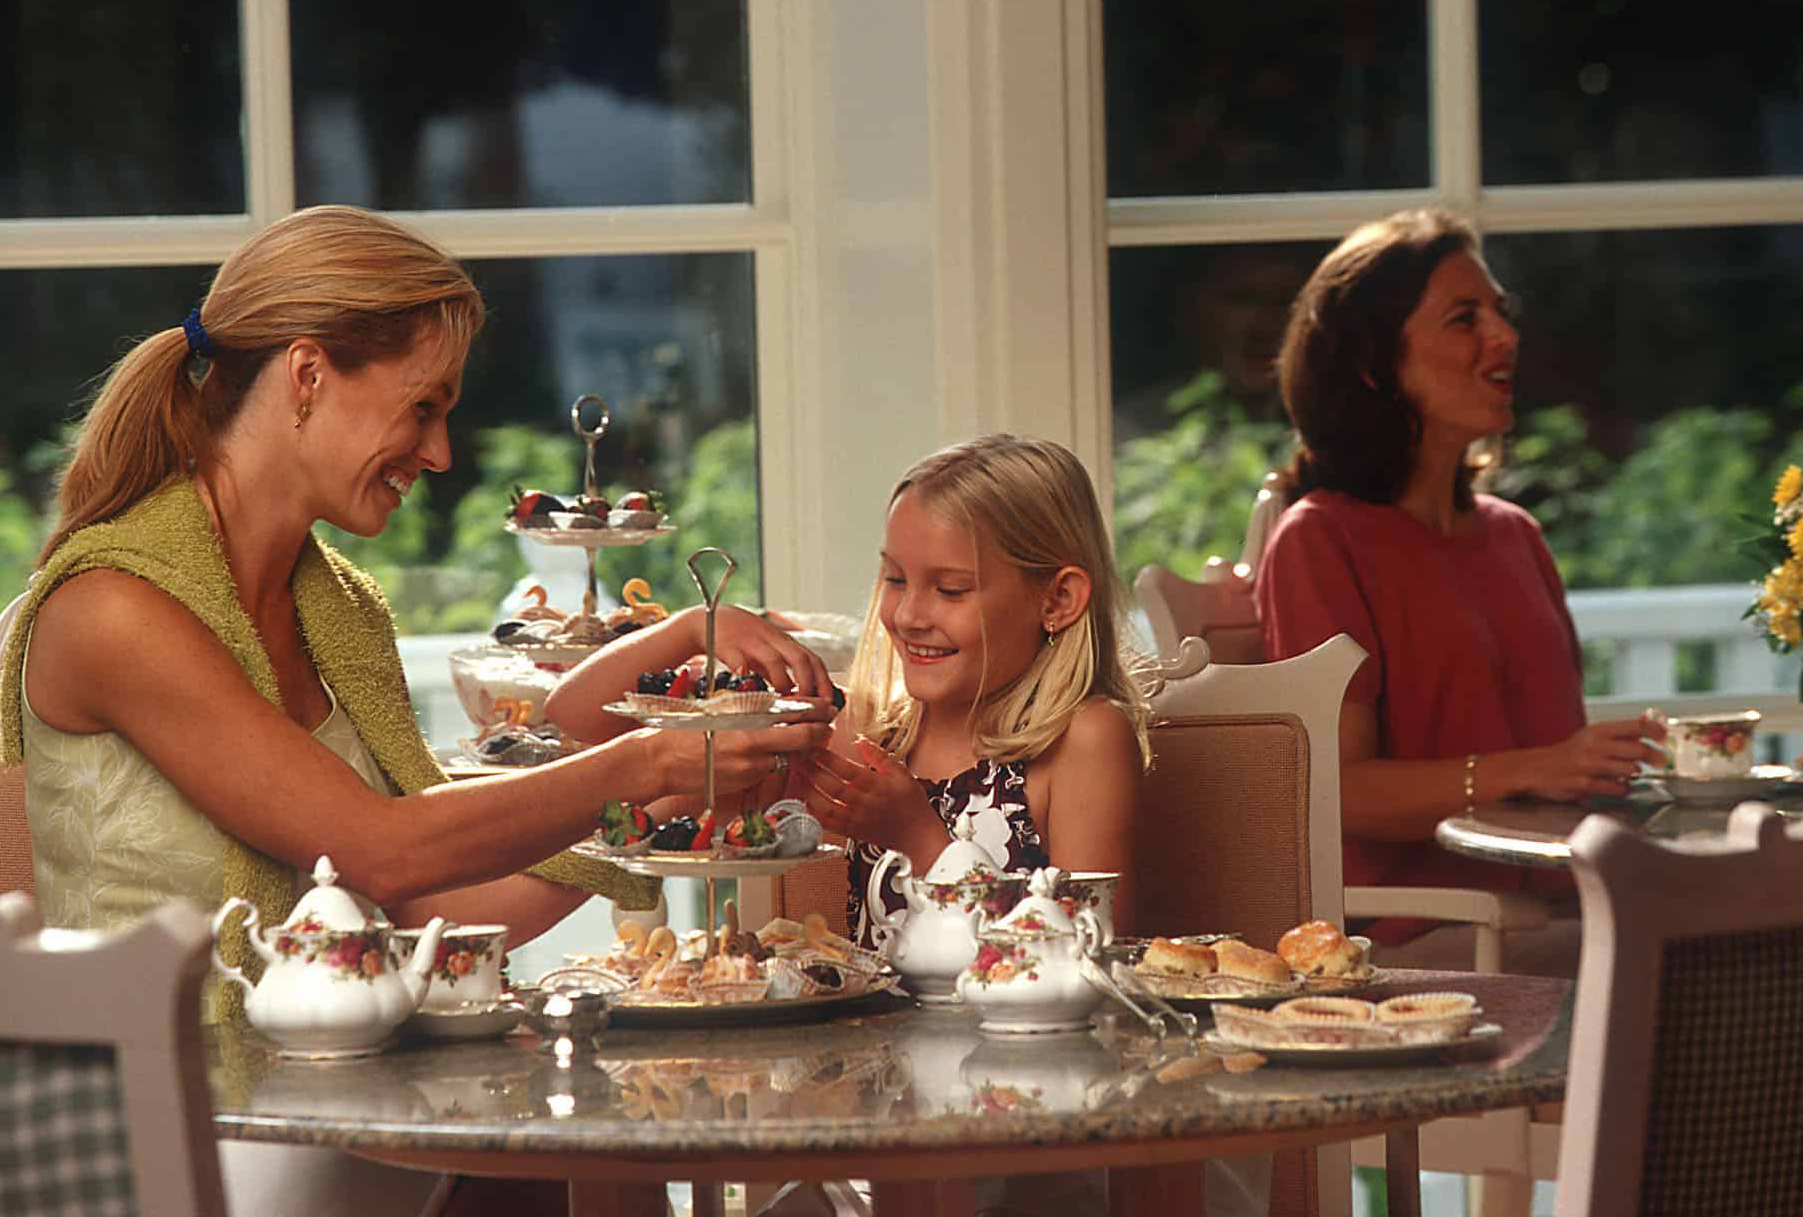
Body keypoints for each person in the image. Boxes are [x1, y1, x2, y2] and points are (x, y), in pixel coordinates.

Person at [0, 204, 830, 1216]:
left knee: (603, 1141)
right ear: (308, 374)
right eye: (422, 406)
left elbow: (431, 911)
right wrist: (644, 764)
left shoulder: (337, 608)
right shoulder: (116, 609)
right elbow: (382, 851)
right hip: (172, 1129)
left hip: (330, 1100)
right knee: (567, 1158)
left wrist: (669, 748)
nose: (438, 452)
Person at [1253, 208, 1662, 977]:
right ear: (1375, 363)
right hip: (1436, 936)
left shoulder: (1515, 535)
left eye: (1500, 315)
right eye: (1463, 319)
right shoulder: (1319, 540)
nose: (1504, 338)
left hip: (1572, 905)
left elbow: (1559, 768)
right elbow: (1340, 793)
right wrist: (1535, 766)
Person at [552, 434, 1152, 941]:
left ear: (1058, 599)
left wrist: (919, 837)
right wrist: (693, 628)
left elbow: (1090, 963)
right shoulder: (865, 735)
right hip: (872, 1072)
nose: (909, 614)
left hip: (1020, 1077)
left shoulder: (1083, 740)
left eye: (950, 590)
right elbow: (568, 729)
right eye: (894, 578)